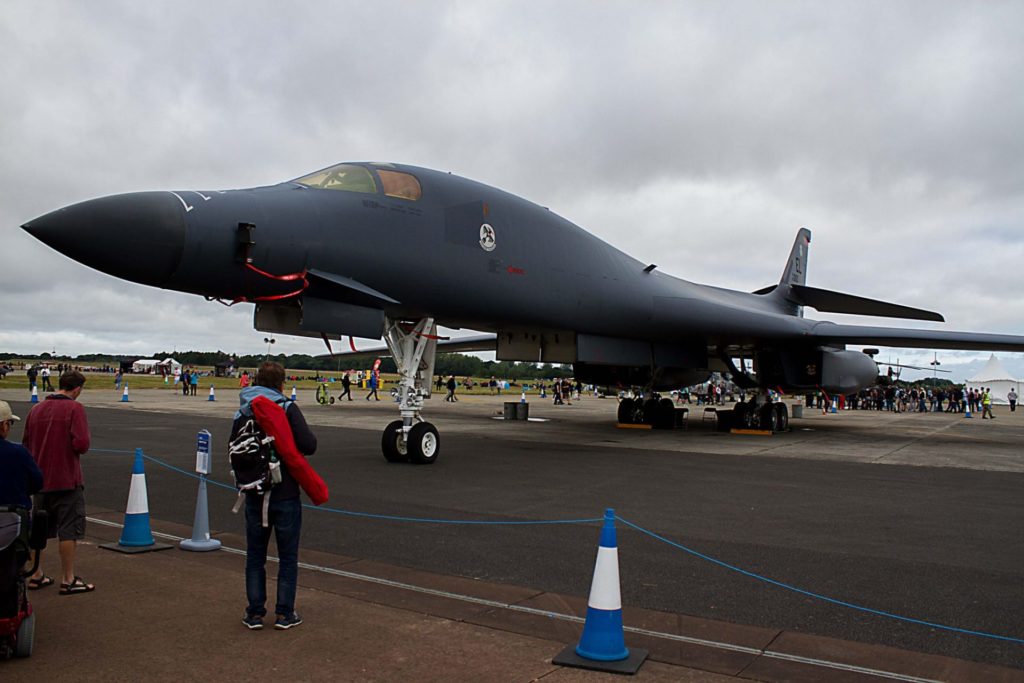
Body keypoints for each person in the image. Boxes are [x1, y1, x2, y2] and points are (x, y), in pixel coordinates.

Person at [232, 361, 316, 630]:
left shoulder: (243, 410)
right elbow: (309, 444)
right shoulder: (286, 407)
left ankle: (254, 613)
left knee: (255, 555)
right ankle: (284, 613)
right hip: (286, 492)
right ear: (281, 383)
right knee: (287, 556)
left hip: (254, 492)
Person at [23, 370, 94, 595]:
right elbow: (81, 444)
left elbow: (26, 443)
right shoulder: (75, 408)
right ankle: (68, 578)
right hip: (66, 479)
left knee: (38, 529)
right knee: (68, 530)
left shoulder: (36, 409)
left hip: (39, 479)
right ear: (77, 388)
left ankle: (35, 574)